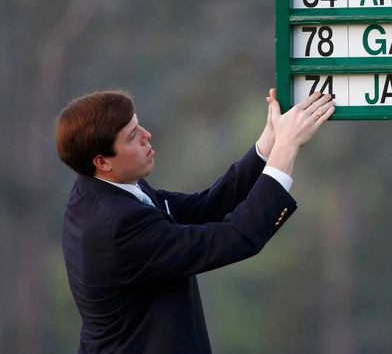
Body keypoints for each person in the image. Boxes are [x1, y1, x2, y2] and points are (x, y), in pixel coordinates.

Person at [56, 88, 334, 353]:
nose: (146, 135)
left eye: (138, 125)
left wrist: (269, 142)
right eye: (131, 136)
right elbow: (237, 237)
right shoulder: (117, 226)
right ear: (102, 161)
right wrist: (286, 148)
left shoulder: (101, 188)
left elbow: (203, 208)